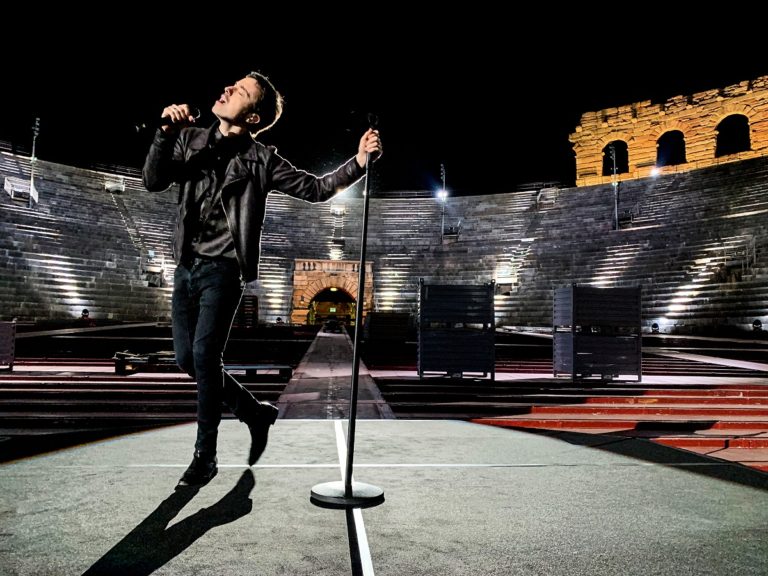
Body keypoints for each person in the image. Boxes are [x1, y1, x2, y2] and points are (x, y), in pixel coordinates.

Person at [142, 71, 382, 488]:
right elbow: (152, 181)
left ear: (253, 117)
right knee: (186, 360)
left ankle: (206, 457)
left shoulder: (262, 160)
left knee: (204, 357)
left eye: (242, 91)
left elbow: (316, 187)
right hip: (184, 266)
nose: (227, 88)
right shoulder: (188, 138)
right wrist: (164, 132)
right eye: (231, 84)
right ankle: (254, 411)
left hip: (223, 268)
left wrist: (358, 163)